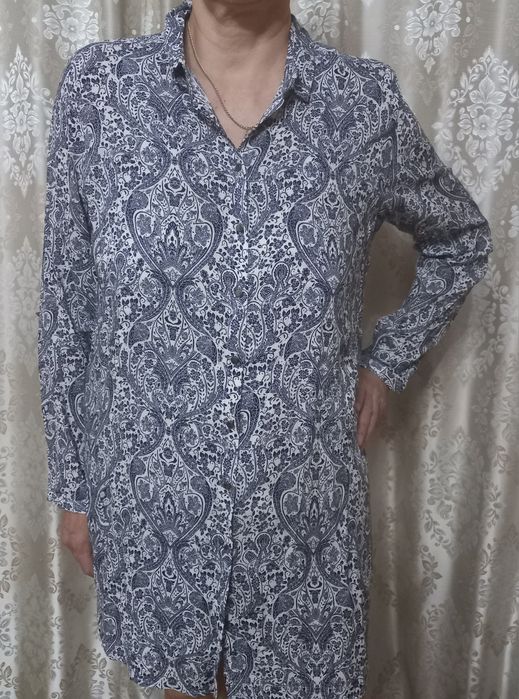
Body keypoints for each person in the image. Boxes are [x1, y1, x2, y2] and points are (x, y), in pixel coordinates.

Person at [37, 0, 493, 697]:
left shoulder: (361, 105)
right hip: (152, 507)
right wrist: (74, 487)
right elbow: (68, 303)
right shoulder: (103, 91)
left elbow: (460, 237)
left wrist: (386, 361)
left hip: (300, 517)